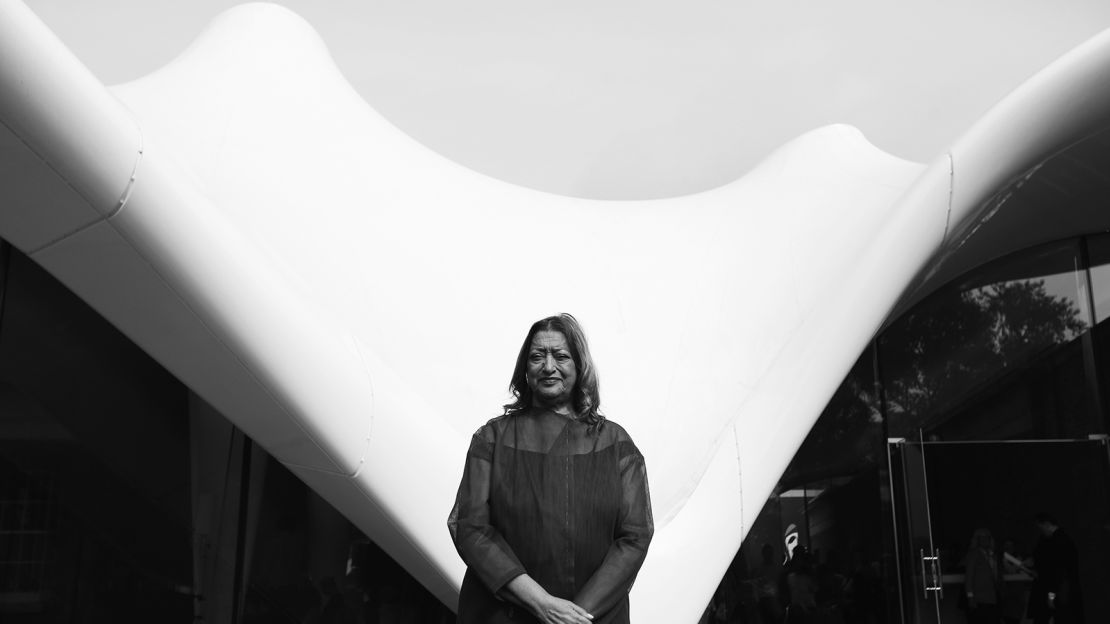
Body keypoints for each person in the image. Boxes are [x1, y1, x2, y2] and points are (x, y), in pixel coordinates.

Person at [448, 314, 654, 624]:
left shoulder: (614, 443)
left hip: (593, 618)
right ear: (525, 369)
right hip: (506, 615)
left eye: (560, 355)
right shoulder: (491, 439)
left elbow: (635, 536)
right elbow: (470, 528)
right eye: (536, 356)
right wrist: (541, 603)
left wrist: (575, 616)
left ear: (579, 365)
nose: (548, 366)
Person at [1026, 513, 1082, 624]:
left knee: (1058, 618)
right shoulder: (1060, 540)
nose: (1041, 531)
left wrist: (1051, 596)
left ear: (1046, 524)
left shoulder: (1057, 542)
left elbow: (1058, 573)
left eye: (1040, 528)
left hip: (1058, 593)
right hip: (1059, 592)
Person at [963, 528, 1000, 624]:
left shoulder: (992, 555)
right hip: (979, 598)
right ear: (977, 540)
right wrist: (970, 597)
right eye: (981, 538)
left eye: (987, 538)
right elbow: (969, 576)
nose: (984, 540)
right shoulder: (974, 554)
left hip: (992, 596)